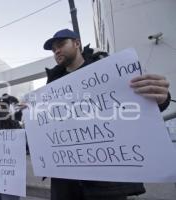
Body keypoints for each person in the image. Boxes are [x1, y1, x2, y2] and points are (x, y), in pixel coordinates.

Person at [43, 29, 171, 200]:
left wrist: (161, 98)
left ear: (77, 43)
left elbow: (138, 104)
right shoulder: (52, 85)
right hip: (66, 182)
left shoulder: (108, 68)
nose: (56, 51)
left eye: (60, 45)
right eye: (53, 50)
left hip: (105, 183)